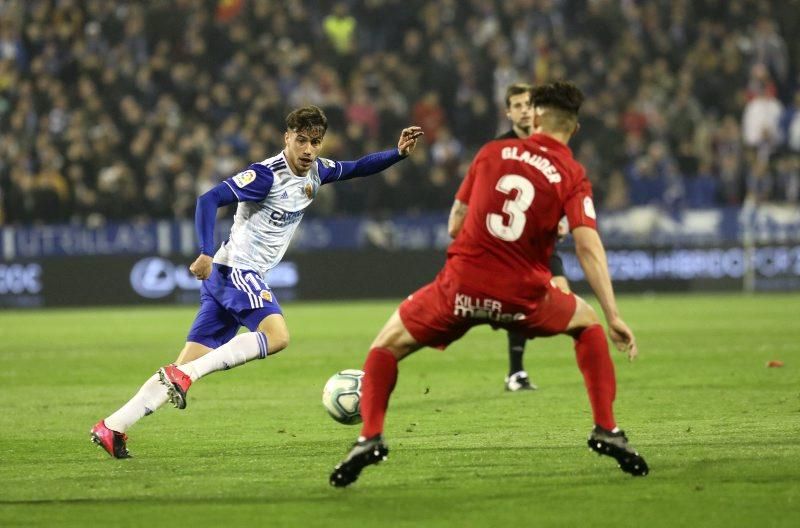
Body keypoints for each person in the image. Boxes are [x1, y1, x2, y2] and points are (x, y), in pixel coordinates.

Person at [330, 82, 648, 487]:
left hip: (460, 289)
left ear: (533, 118)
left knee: (384, 347)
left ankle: (369, 436)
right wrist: (614, 315)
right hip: (523, 295)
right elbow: (587, 244)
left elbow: (456, 224)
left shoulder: (491, 153)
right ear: (575, 128)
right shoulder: (572, 173)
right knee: (588, 324)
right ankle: (606, 428)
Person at [90, 106, 423, 458]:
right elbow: (209, 199)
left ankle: (113, 426)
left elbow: (357, 167)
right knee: (277, 337)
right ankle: (185, 377)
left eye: (316, 142)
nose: (308, 150)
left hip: (229, 278)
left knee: (183, 364)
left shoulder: (318, 172)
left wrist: (398, 154)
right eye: (301, 141)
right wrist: (204, 251)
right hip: (236, 271)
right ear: (287, 138)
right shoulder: (266, 175)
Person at [448, 82, 571, 392]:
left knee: (563, 299)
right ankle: (516, 371)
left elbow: (563, 189)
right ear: (508, 112)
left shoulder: (550, 146)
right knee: (519, 301)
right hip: (504, 247)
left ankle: (571, 359)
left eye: (529, 104)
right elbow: (474, 201)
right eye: (518, 105)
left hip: (539, 244)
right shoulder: (496, 150)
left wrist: (565, 219)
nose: (525, 110)